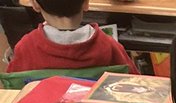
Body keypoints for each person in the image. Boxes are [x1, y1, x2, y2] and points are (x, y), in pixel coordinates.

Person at [7, 0, 135, 73]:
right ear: (86, 3)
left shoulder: (26, 47)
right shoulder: (107, 44)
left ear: (35, 5)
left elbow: (13, 85)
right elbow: (135, 81)